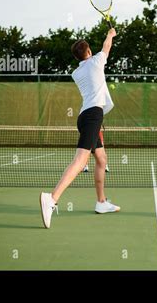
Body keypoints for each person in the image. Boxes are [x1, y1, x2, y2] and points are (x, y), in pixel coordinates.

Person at [40, 28, 120, 229]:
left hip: (85, 116)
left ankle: (101, 202)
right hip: (93, 116)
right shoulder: (96, 61)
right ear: (89, 52)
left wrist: (107, 40)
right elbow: (107, 46)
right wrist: (110, 34)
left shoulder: (76, 72)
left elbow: (101, 51)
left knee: (101, 159)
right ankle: (52, 198)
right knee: (80, 160)